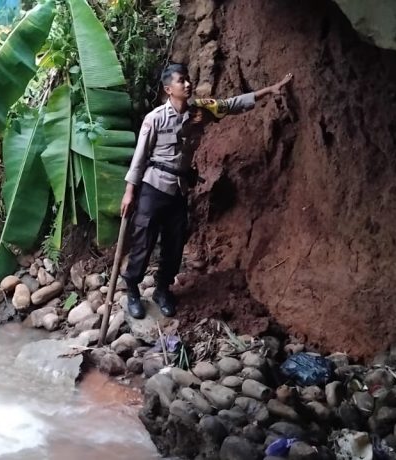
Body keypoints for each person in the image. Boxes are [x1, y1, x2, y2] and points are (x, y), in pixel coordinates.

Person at [120, 63, 293, 320]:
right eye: (182, 81)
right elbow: (140, 157)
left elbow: (232, 104)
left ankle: (162, 289)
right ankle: (132, 290)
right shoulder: (154, 118)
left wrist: (269, 90)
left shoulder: (202, 110)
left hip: (179, 189)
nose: (188, 84)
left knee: (175, 242)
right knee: (143, 240)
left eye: (188, 79)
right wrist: (130, 191)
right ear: (169, 89)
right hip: (153, 187)